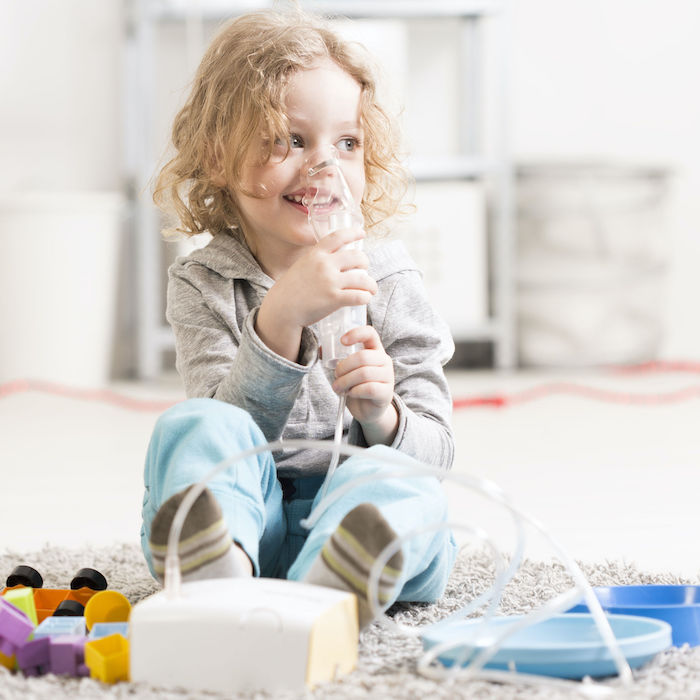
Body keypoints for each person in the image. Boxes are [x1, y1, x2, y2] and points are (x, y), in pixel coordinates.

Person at [140, 7, 457, 629]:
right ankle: (217, 575)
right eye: (288, 139)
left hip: (356, 522)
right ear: (218, 154)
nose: (323, 167)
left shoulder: (388, 279)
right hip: (247, 520)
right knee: (191, 425)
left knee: (402, 482)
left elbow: (436, 453)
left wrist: (383, 416)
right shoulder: (203, 283)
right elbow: (227, 442)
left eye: (347, 142)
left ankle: (331, 591)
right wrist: (278, 321)